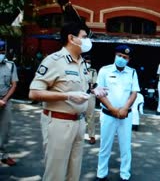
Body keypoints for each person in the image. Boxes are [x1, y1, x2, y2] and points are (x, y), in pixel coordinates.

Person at [29, 22, 106, 181]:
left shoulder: (82, 62)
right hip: (59, 123)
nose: (87, 41)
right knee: (55, 174)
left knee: (74, 173)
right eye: (84, 37)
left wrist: (94, 90)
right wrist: (67, 96)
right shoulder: (54, 60)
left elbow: (80, 88)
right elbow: (34, 93)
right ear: (71, 38)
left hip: (79, 124)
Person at [95, 45, 140, 181]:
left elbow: (134, 92)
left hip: (125, 116)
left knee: (125, 147)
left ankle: (125, 175)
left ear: (129, 59)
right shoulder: (104, 70)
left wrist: (125, 108)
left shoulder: (132, 72)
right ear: (115, 55)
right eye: (119, 55)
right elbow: (99, 92)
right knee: (105, 146)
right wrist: (112, 109)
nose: (121, 59)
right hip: (108, 114)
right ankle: (101, 175)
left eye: (125, 57)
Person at [0, 40, 18, 166]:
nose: (1, 54)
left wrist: (4, 100)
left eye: (1, 51)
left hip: (5, 101)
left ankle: (3, 155)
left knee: (5, 130)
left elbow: (14, 84)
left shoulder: (10, 65)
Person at [84, 55, 98, 144]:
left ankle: (91, 136)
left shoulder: (93, 71)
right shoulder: (77, 70)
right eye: (86, 62)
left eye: (89, 62)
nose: (88, 64)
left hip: (89, 95)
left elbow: (94, 83)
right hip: (77, 95)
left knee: (90, 116)